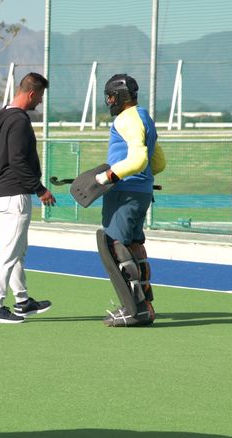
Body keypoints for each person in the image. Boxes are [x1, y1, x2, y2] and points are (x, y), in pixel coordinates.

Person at [0, 72, 56, 325]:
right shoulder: (20, 121)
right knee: (9, 252)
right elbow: (17, 159)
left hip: (3, 193)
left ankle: (22, 301)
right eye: (40, 97)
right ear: (32, 93)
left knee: (16, 250)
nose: (40, 102)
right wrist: (40, 189)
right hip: (15, 195)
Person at [93, 73, 166, 327]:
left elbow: (138, 160)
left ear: (121, 97)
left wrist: (109, 175)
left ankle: (133, 309)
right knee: (135, 246)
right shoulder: (145, 117)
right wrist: (142, 179)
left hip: (123, 191)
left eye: (111, 96)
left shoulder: (127, 119)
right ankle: (145, 305)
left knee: (115, 247)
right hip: (142, 192)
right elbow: (158, 162)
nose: (109, 101)